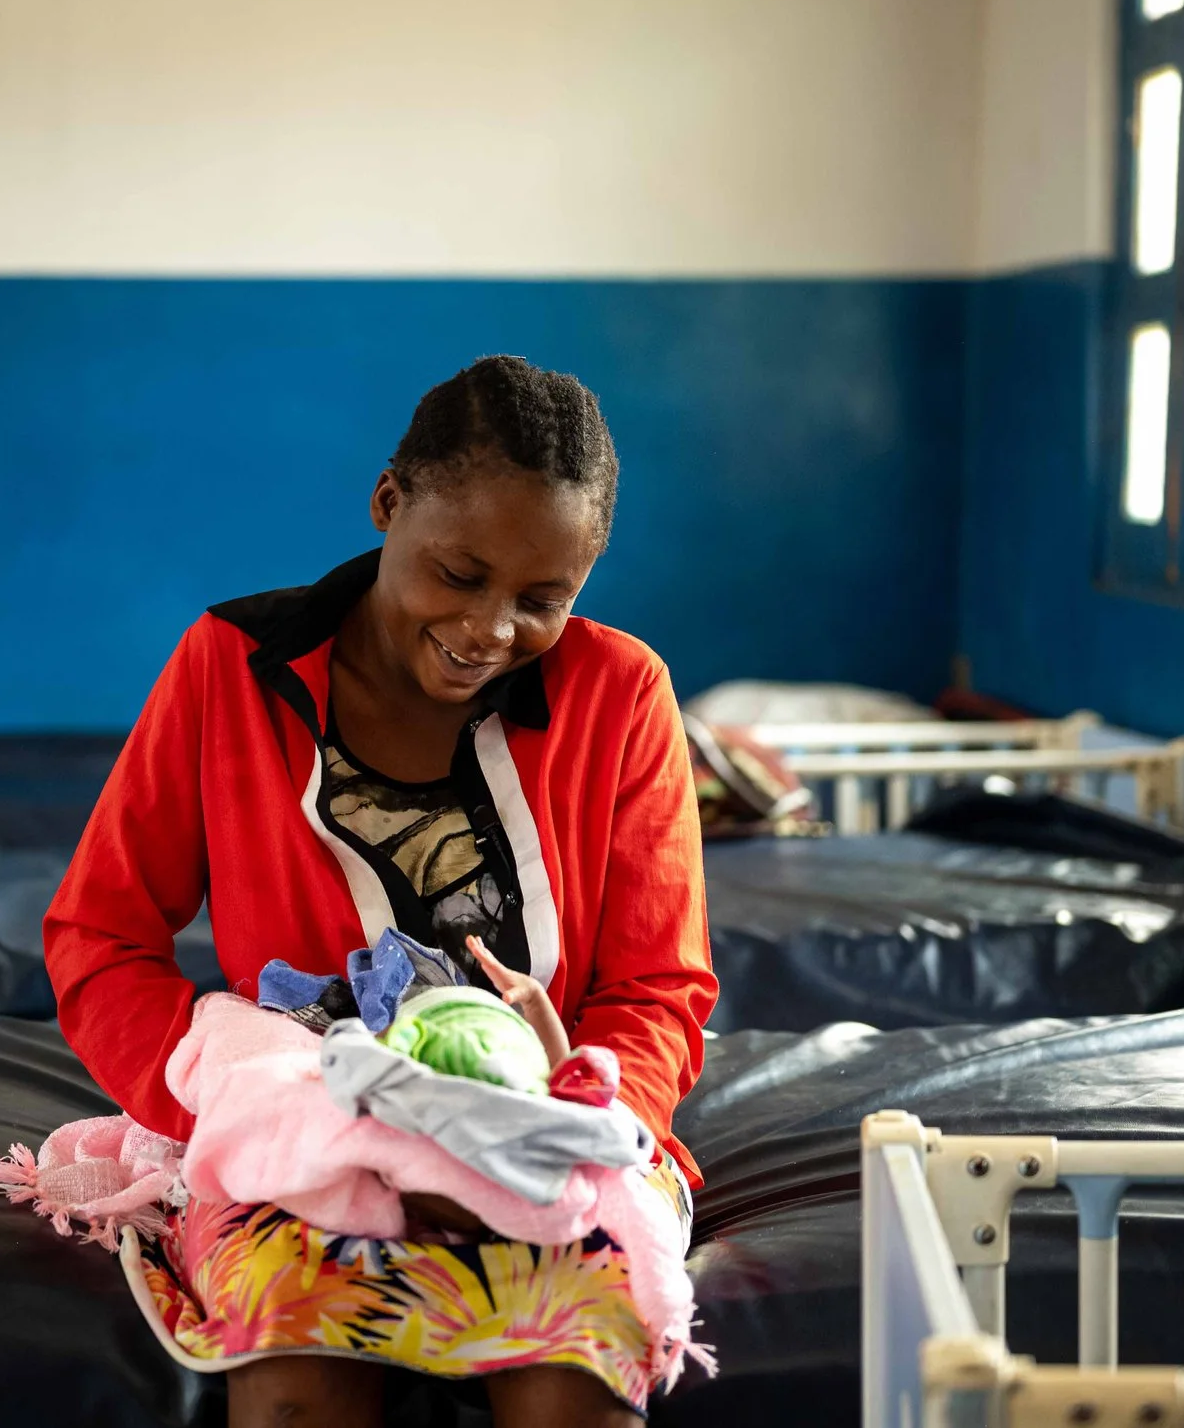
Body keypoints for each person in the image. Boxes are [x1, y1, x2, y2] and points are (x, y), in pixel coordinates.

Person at [44, 355, 718, 1427]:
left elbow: (658, 986)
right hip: (303, 1144)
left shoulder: (623, 693)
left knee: (573, 1382)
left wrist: (568, 1124)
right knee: (298, 1381)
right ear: (389, 501)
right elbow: (100, 934)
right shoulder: (230, 668)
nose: (491, 628)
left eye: (541, 599)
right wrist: (256, 1109)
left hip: (554, 1144)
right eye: (459, 574)